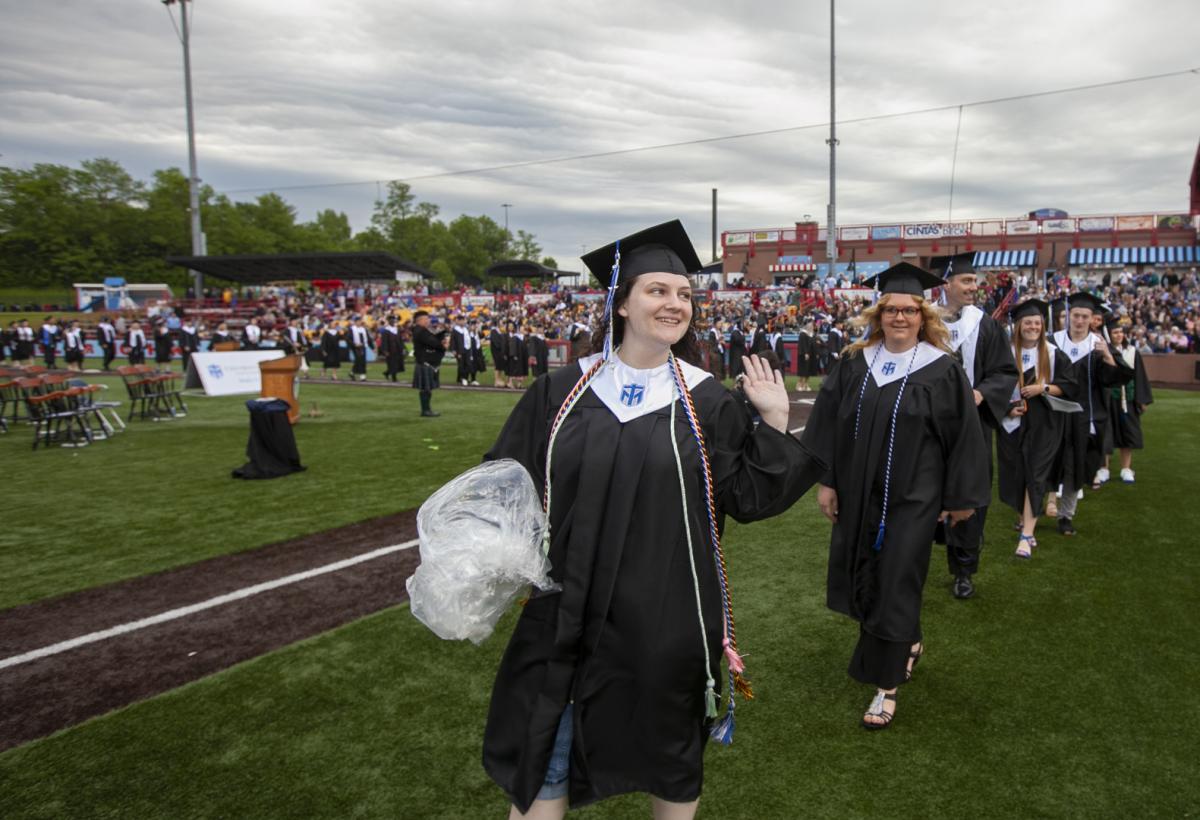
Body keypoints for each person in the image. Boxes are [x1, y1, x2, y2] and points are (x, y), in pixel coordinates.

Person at [482, 220, 824, 818]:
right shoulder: (562, 391)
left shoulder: (707, 400)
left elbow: (749, 498)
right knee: (545, 755)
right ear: (621, 302)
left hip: (666, 618)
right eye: (657, 291)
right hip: (564, 615)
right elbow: (506, 481)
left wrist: (771, 422)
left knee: (668, 757)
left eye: (685, 294)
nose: (674, 304)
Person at [802, 262, 989, 730]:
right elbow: (830, 421)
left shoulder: (942, 369)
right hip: (861, 492)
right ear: (879, 314)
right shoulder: (854, 363)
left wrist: (960, 495)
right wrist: (828, 481)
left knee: (897, 580)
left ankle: (885, 687)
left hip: (915, 497)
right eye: (891, 310)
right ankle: (907, 642)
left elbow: (964, 436)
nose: (899, 318)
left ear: (923, 315)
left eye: (908, 310)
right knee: (868, 573)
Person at [931, 253, 1018, 599]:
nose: (974, 287)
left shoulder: (985, 324)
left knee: (969, 492)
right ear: (946, 284)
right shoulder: (925, 321)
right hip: (929, 425)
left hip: (973, 426)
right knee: (925, 489)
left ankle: (963, 569)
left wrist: (982, 393)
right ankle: (912, 559)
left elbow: (1005, 371)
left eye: (974, 281)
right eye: (966, 281)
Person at [996, 299, 1079, 558]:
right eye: (1028, 322)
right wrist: (1007, 408)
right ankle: (1024, 518)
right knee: (1016, 475)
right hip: (1012, 424)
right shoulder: (1004, 352)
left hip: (1045, 424)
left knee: (1035, 474)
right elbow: (993, 387)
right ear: (1018, 325)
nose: (1033, 327)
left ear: (1043, 326)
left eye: (1037, 323)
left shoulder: (1053, 353)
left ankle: (1027, 534)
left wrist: (1042, 387)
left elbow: (1070, 385)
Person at [1048, 292, 1123, 536]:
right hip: (1053, 415)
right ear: (1069, 316)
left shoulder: (1098, 345)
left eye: (1085, 317)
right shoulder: (1052, 342)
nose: (1079, 320)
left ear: (1092, 319)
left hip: (1084, 418)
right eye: (1076, 315)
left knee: (1075, 469)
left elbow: (1113, 379)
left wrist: (1108, 356)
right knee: (1046, 464)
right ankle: (1033, 510)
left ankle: (1066, 516)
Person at [1103, 322, 1153, 484]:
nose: (1118, 335)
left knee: (1127, 433)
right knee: (1106, 434)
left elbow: (1139, 376)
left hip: (1128, 399)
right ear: (1109, 334)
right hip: (1109, 398)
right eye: (1115, 332)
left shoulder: (1132, 352)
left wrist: (1141, 399)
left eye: (1120, 332)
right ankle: (1104, 468)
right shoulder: (1105, 351)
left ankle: (1126, 468)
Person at [412, 310, 448, 417]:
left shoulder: (424, 330)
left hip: (428, 361)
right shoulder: (420, 331)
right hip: (425, 361)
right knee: (425, 388)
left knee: (427, 388)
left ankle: (426, 409)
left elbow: (435, 338)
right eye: (426, 319)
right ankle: (425, 410)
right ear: (420, 320)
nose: (428, 320)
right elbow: (433, 342)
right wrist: (442, 343)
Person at [379, 316, 403, 382]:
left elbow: (400, 340)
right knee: (392, 364)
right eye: (391, 320)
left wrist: (402, 348)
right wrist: (385, 351)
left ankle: (386, 373)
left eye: (394, 320)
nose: (393, 322)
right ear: (389, 321)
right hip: (390, 350)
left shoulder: (397, 329)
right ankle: (394, 378)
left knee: (396, 363)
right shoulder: (386, 330)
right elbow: (384, 341)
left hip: (397, 349)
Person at [794, 322, 817, 391]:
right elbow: (802, 344)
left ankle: (806, 384)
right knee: (803, 370)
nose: (812, 328)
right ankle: (799, 384)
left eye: (812, 327)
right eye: (811, 327)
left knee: (808, 371)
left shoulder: (812, 335)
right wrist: (805, 353)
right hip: (804, 355)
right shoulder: (802, 334)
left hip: (811, 355)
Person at [506, 322, 528, 391]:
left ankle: (519, 383)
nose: (523, 329)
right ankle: (510, 383)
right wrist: (514, 355)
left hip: (522, 357)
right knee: (514, 370)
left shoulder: (523, 337)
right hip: (516, 357)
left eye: (523, 329)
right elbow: (512, 347)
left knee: (521, 371)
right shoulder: (515, 337)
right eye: (521, 328)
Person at [349, 316, 371, 381]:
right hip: (355, 347)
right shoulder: (352, 329)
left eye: (360, 321)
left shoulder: (364, 329)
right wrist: (355, 344)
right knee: (359, 360)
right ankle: (362, 376)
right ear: (355, 322)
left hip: (363, 346)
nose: (359, 322)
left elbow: (368, 339)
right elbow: (348, 339)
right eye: (358, 321)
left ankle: (352, 373)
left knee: (361, 361)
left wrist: (372, 347)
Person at [490, 322, 510, 388]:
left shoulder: (502, 331)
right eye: (501, 323)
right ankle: (496, 380)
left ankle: (499, 379)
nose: (502, 324)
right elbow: (496, 343)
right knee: (497, 366)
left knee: (500, 366)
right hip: (496, 351)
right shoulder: (494, 331)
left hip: (501, 352)